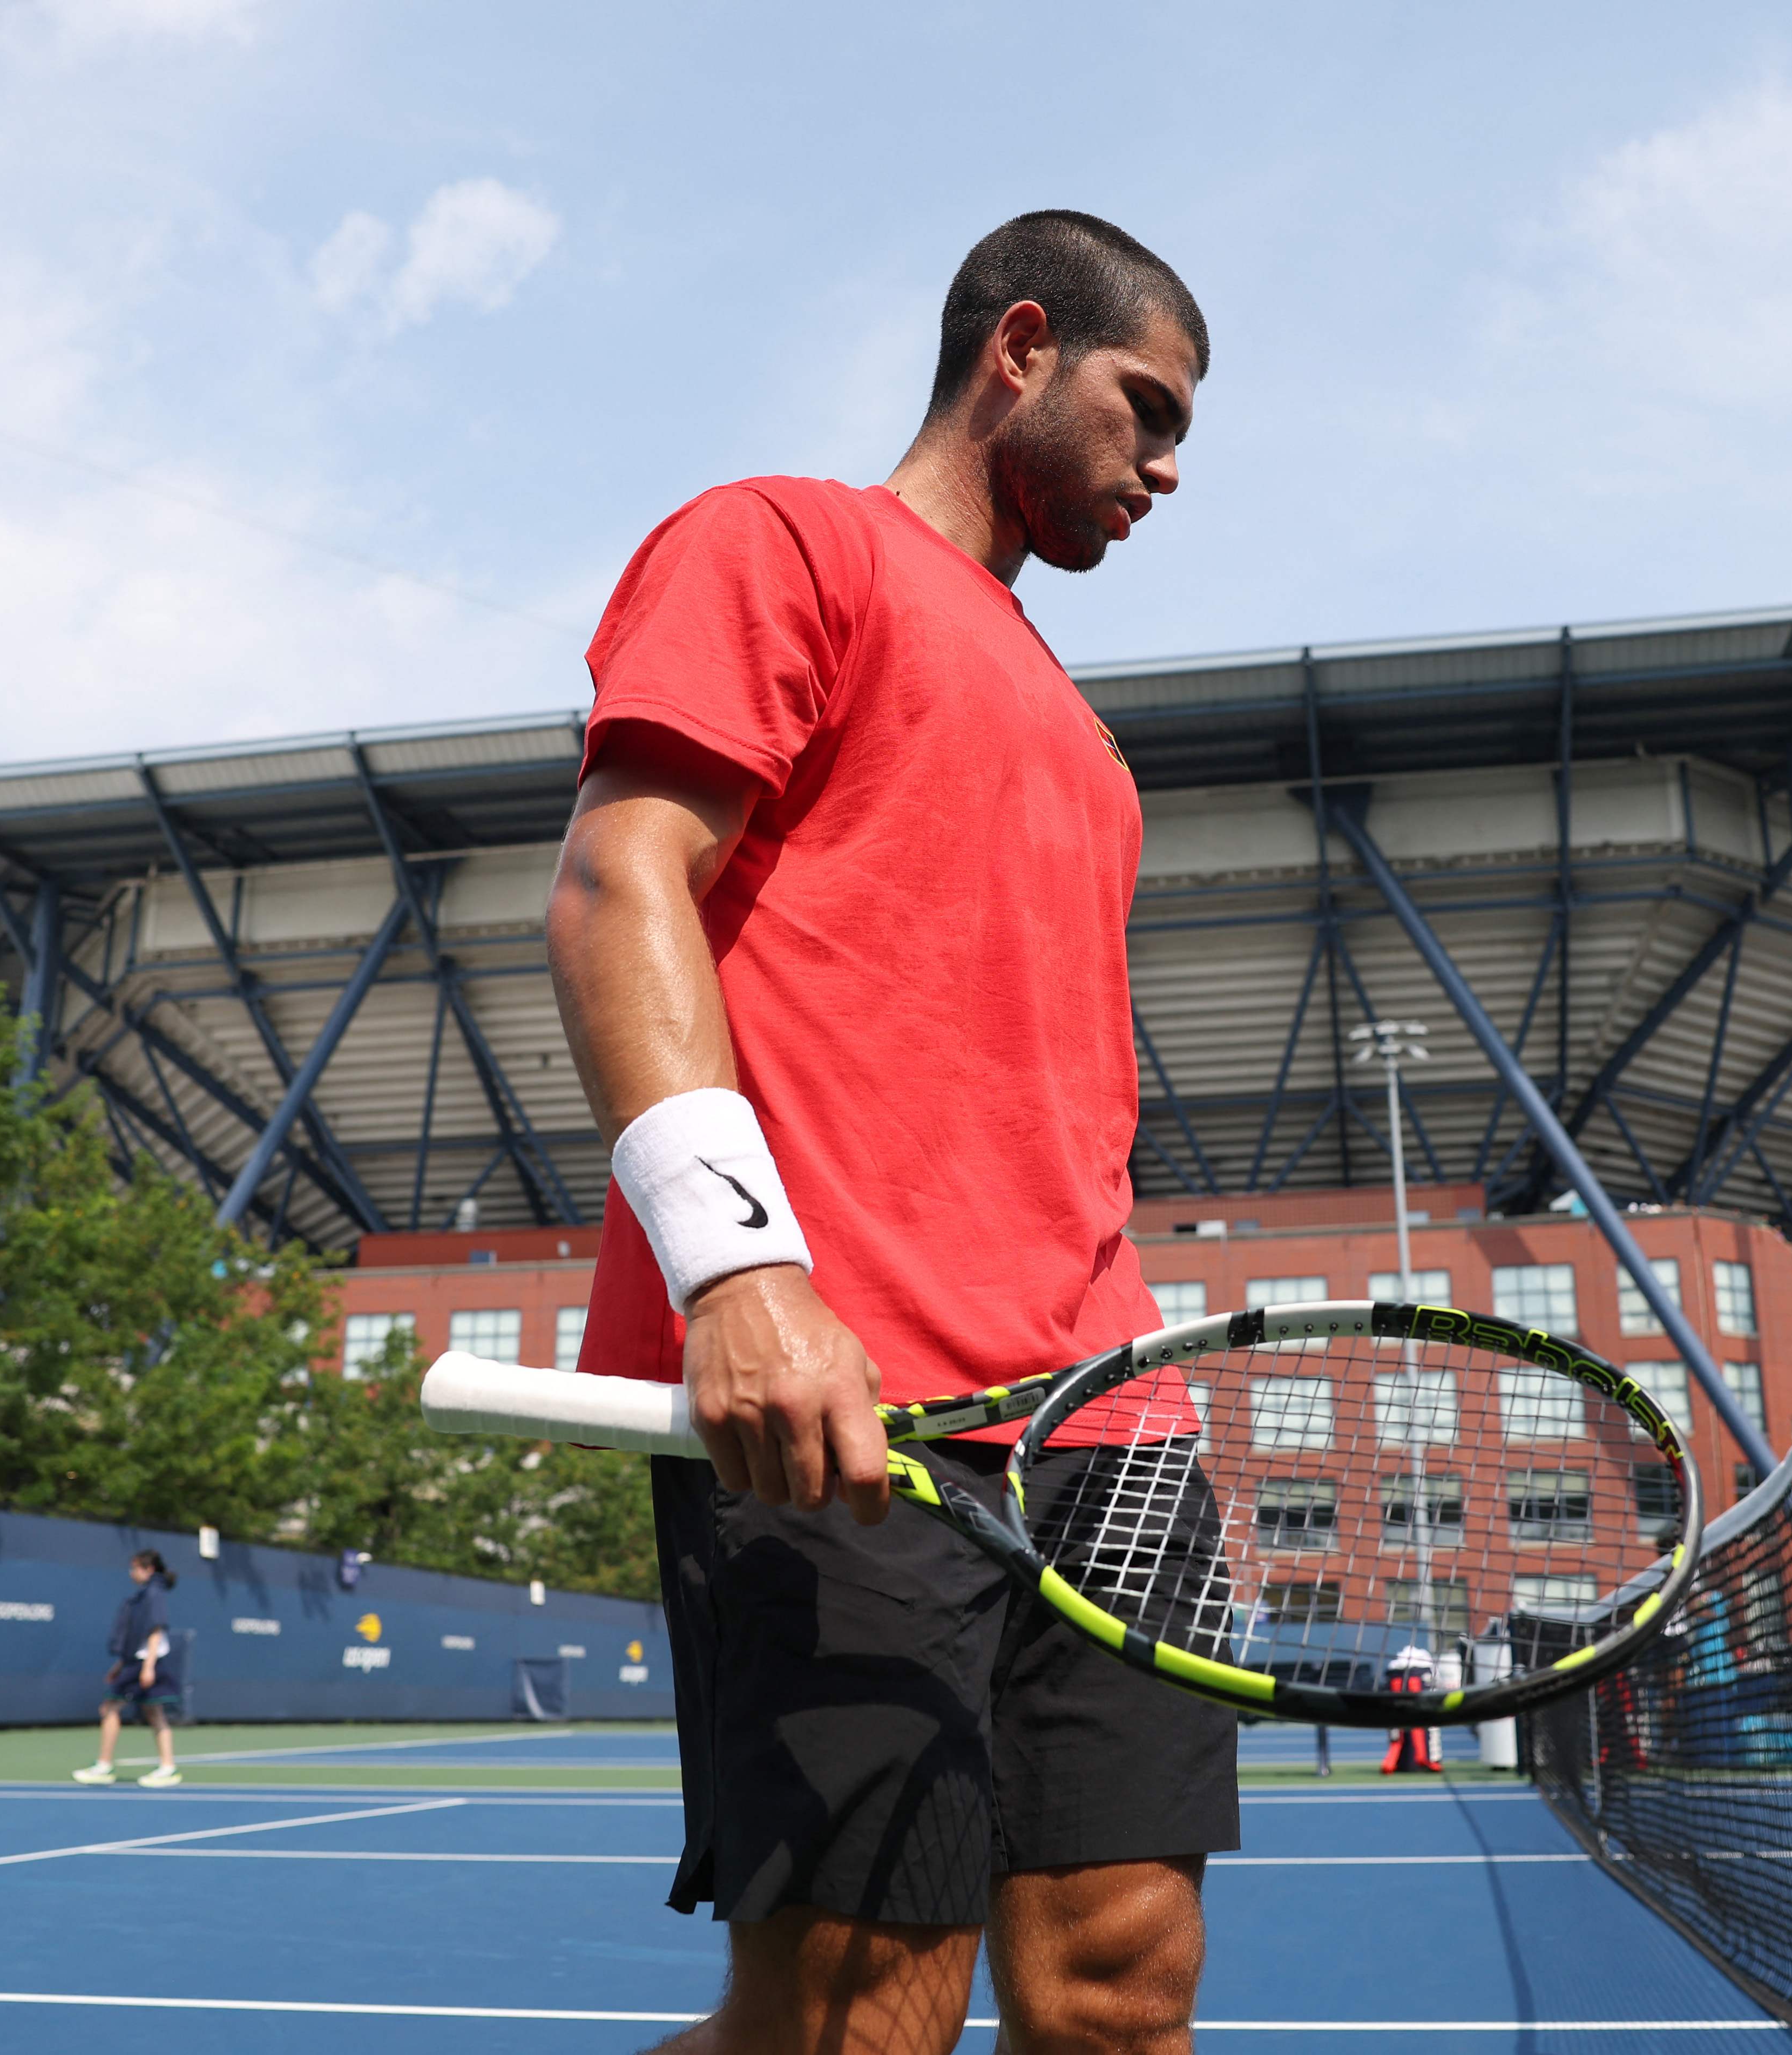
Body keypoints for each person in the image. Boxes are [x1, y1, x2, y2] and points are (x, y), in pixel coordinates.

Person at [547, 210, 1221, 2055]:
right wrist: (739, 1268)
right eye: (1142, 408)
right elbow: (620, 879)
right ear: (1017, 348)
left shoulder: (1087, 746)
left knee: (1120, 1994)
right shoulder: (781, 540)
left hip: (1109, 1422)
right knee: (857, 2022)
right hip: (858, 1416)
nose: (1164, 469)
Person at [73, 1549, 184, 1787]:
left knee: (110, 1708)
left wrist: (149, 1667)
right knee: (153, 1713)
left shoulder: (154, 1594)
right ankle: (168, 1767)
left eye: (135, 1568)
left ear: (149, 1569)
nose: (131, 1573)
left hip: (145, 1665)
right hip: (136, 1663)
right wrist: (120, 1665)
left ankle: (105, 1766)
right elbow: (137, 1638)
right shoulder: (146, 1595)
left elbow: (155, 1631)